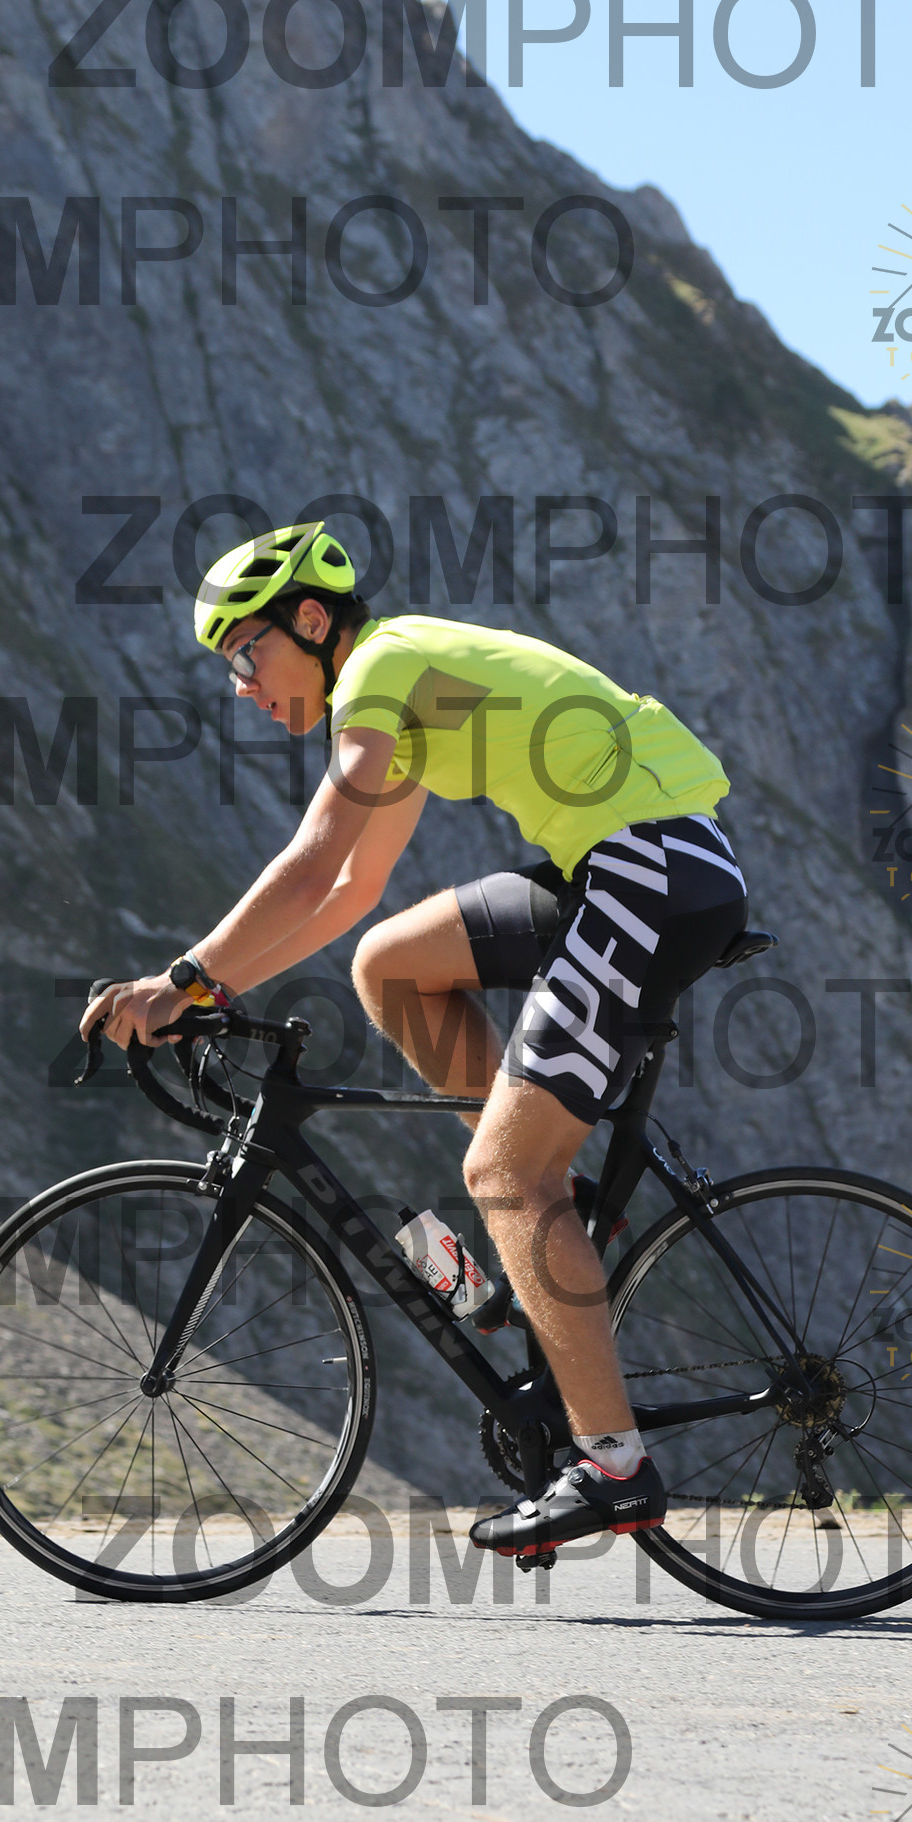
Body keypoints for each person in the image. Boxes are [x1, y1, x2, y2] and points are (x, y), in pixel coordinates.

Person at [82, 520, 748, 1555]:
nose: (241, 685)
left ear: (312, 622)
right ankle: (553, 1209)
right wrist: (219, 990)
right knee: (390, 962)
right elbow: (351, 889)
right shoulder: (399, 688)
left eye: (246, 653)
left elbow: (312, 861)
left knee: (504, 1176)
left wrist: (181, 981)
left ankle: (614, 1466)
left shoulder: (381, 667)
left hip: (649, 869)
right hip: (623, 863)